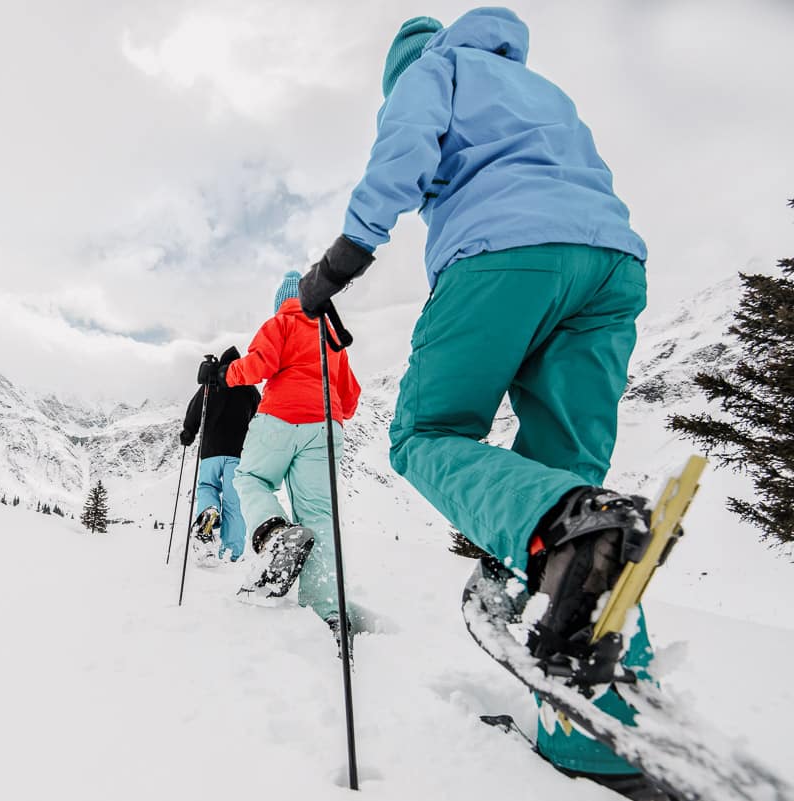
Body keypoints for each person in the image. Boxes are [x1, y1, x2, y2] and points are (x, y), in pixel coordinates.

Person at [297, 9, 664, 799]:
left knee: (427, 432)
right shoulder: (541, 88)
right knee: (571, 487)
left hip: (506, 257)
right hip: (612, 268)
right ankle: (597, 734)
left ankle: (564, 533)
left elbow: (405, 147)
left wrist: (342, 259)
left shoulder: (436, 71)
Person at [222, 270, 361, 641]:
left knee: (250, 478)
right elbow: (350, 398)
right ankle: (328, 611)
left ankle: (273, 534)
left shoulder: (280, 323)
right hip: (326, 427)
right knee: (318, 515)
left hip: (279, 417)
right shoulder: (332, 337)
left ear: (283, 300)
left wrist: (224, 375)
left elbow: (257, 367)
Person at [181, 347, 260, 562]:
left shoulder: (210, 384)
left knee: (208, 487)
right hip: (238, 452)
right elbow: (259, 415)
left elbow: (195, 410)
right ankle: (232, 553)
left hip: (210, 451)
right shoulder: (249, 387)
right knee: (235, 501)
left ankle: (209, 510)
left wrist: (188, 432)